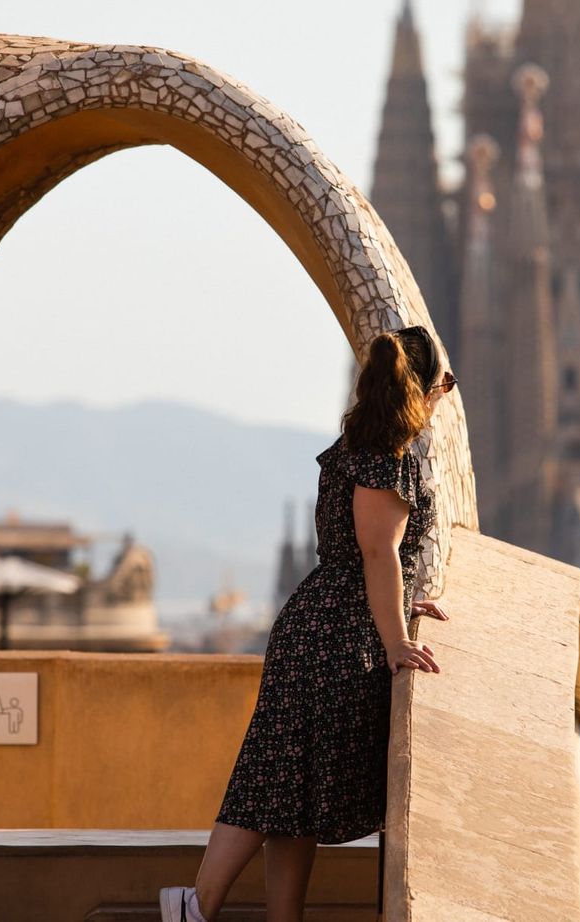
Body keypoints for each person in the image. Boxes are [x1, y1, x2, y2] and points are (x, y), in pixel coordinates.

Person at [160, 325, 457, 922]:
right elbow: (378, 554)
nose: (446, 397)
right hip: (338, 636)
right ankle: (195, 905)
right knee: (278, 780)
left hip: (316, 622)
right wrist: (396, 638)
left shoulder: (355, 446)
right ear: (422, 391)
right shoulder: (385, 461)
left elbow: (372, 559)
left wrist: (400, 608)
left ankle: (221, 909)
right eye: (444, 386)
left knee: (285, 784)